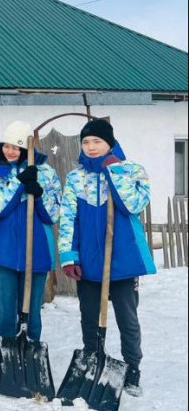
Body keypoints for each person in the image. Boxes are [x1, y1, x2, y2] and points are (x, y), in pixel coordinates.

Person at [59, 119, 154, 397]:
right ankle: (93, 359)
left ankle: (132, 367)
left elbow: (133, 205)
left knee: (127, 317)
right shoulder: (75, 178)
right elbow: (68, 219)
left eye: (97, 141)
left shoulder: (132, 170)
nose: (90, 147)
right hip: (88, 260)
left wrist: (113, 171)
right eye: (86, 142)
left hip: (122, 259)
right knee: (89, 316)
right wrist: (68, 255)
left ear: (109, 143)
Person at [0, 121, 61, 378]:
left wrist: (37, 195)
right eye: (6, 145)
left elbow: (54, 214)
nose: (10, 151)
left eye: (16, 146)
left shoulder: (46, 172)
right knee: (4, 311)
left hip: (36, 249)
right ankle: (2, 363)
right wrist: (17, 184)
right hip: (3, 250)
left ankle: (30, 358)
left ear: (27, 146)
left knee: (31, 311)